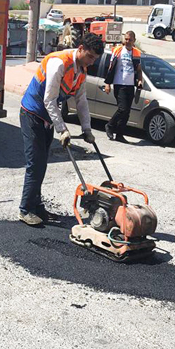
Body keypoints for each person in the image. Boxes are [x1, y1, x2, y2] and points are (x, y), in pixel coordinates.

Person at [19, 33, 104, 226]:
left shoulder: (81, 71)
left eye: (95, 59)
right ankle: (25, 209)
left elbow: (81, 101)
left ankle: (37, 206)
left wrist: (87, 129)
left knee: (42, 164)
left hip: (47, 118)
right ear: (80, 48)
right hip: (32, 114)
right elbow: (49, 99)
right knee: (35, 164)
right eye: (90, 56)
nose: (91, 62)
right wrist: (62, 129)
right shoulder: (59, 63)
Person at [104, 31, 143, 144]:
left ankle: (120, 134)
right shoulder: (118, 50)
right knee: (122, 109)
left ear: (134, 40)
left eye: (130, 40)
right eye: (126, 39)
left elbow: (139, 69)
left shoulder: (136, 53)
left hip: (130, 85)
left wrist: (139, 80)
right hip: (119, 83)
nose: (127, 41)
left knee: (127, 112)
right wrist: (107, 83)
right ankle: (110, 125)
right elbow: (110, 68)